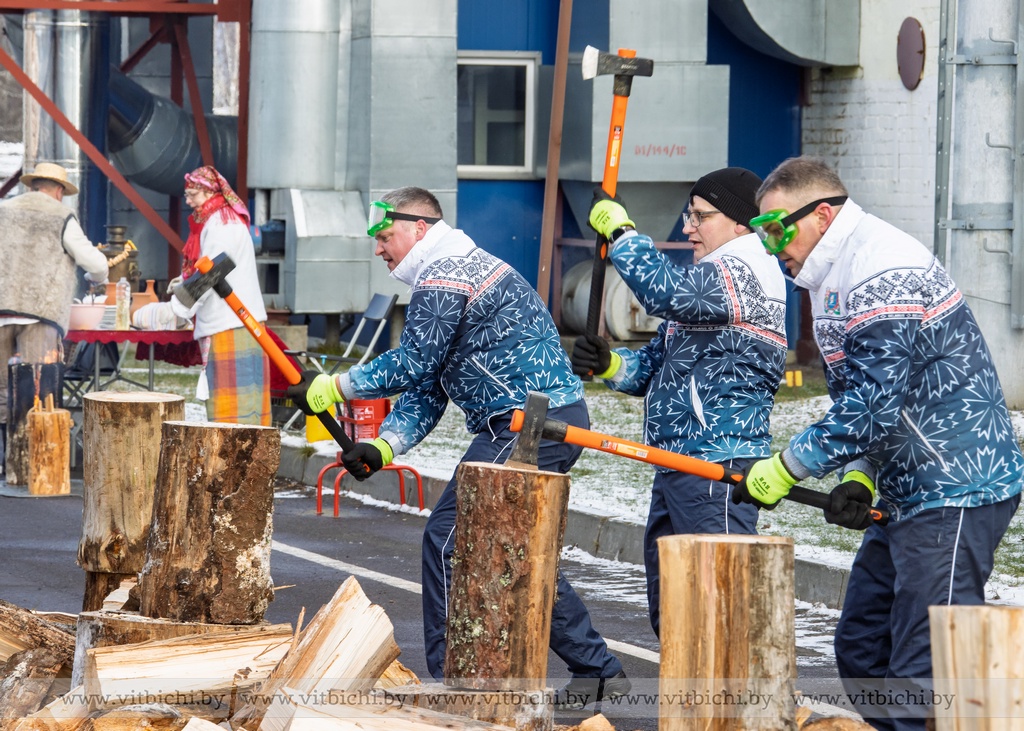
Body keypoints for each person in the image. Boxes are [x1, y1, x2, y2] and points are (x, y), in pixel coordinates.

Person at [288, 186, 630, 709]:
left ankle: (453, 681)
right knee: (518, 554)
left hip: (529, 424)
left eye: (385, 236)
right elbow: (430, 388)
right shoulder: (447, 270)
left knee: (452, 540)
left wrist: (337, 387)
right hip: (528, 421)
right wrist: (381, 446)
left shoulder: (447, 272)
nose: (379, 249)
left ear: (419, 228)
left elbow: (415, 363)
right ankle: (599, 672)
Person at [733, 156, 1023, 730]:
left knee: (923, 670)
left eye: (774, 229)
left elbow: (871, 403)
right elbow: (865, 397)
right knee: (864, 648)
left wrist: (788, 466)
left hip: (955, 485)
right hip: (906, 488)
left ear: (820, 215)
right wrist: (861, 474)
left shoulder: (879, 267)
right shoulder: (838, 272)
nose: (769, 246)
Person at [571, 168, 788, 636]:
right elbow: (650, 370)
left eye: (699, 216)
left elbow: (661, 292)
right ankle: (688, 708)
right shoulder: (710, 281)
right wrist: (609, 365)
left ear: (740, 223)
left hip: (716, 470)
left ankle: (730, 709)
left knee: (718, 615)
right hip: (676, 466)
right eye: (687, 214)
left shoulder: (746, 268)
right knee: (674, 613)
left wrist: (622, 232)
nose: (688, 227)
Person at [0, 162, 108, 476]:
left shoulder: (4, 210)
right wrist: (93, 275)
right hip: (40, 312)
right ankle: (35, 464)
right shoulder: (62, 216)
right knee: (38, 389)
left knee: (0, 389)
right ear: (59, 191)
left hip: (1, 309)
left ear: (33, 185)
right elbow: (96, 264)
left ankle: (3, 461)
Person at [169, 165, 270, 425]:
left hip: (231, 323)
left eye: (193, 194)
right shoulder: (221, 219)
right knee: (244, 408)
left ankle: (235, 463)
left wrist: (179, 305)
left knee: (233, 417)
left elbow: (213, 272)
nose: (189, 201)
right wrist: (183, 283)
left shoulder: (222, 224)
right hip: (236, 320)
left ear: (209, 192)